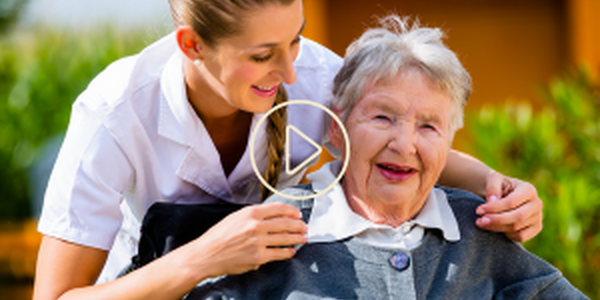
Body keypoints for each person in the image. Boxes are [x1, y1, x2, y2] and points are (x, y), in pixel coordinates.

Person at [33, 1, 542, 300]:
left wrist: (497, 187)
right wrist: (203, 258)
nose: (292, 73)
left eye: (295, 41)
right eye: (262, 56)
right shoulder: (115, 111)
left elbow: (397, 143)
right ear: (191, 46)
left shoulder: (319, 76)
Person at [185, 15, 588, 300]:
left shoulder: (477, 230)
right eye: (382, 117)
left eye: (429, 126)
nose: (404, 143)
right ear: (337, 130)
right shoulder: (280, 228)